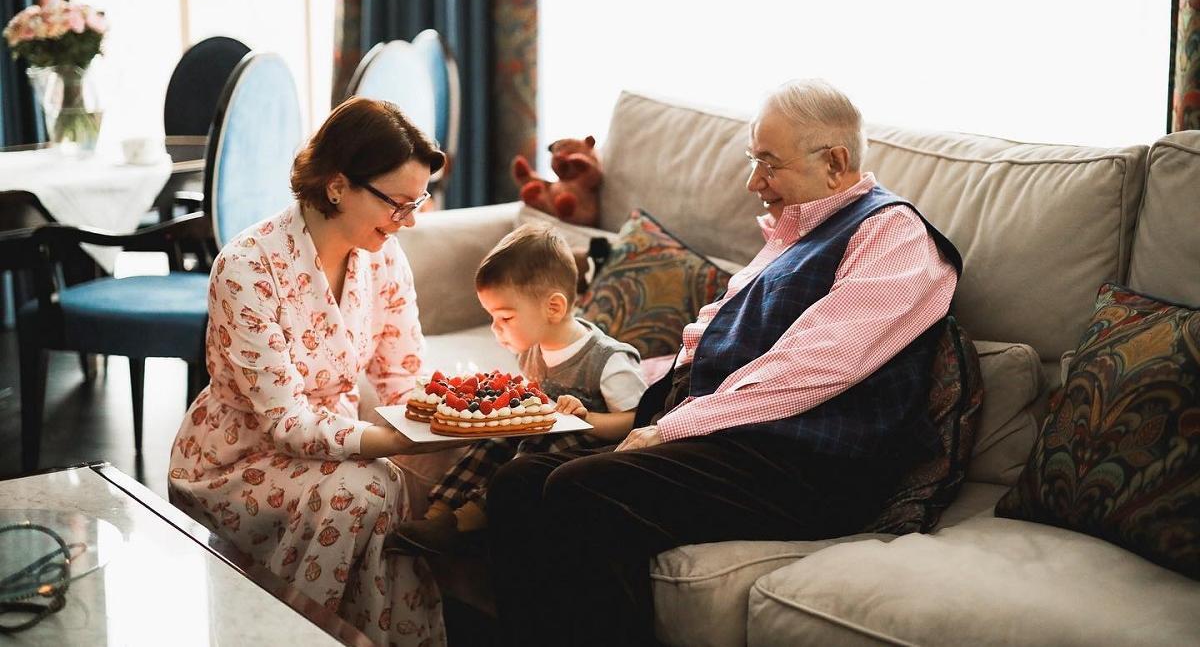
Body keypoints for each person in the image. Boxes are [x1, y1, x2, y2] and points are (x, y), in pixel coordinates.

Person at [485, 79, 964, 646]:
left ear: (835, 162)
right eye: (752, 160)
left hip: (810, 466)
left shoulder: (895, 235)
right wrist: (619, 387)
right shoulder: (790, 236)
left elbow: (817, 365)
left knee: (579, 488)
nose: (753, 182)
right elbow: (705, 345)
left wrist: (667, 427)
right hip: (734, 441)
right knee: (516, 481)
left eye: (768, 163)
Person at [168, 97, 454, 646]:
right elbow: (285, 423)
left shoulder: (384, 255)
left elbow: (403, 377)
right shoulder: (248, 267)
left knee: (376, 484)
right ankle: (292, 636)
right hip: (238, 458)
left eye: (417, 201)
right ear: (338, 185)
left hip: (332, 446)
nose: (410, 220)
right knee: (366, 490)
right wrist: (389, 440)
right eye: (398, 203)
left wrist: (455, 419)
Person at [384, 222, 648, 556]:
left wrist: (587, 418)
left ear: (553, 307)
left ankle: (467, 521)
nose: (496, 329)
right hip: (544, 433)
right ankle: (436, 517)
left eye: (505, 318)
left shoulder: (609, 359)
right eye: (492, 317)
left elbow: (638, 420)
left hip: (588, 450)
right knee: (493, 440)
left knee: (535, 446)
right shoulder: (532, 352)